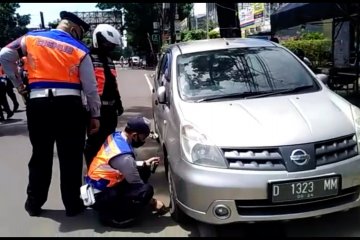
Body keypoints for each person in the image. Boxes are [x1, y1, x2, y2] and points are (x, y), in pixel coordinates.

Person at [0, 11, 101, 217]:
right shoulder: (80, 50)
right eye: (80, 32)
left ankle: (34, 204)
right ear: (74, 29)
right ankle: (72, 205)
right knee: (71, 158)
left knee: (40, 156)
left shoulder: (31, 38)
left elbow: (4, 55)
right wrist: (95, 115)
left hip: (38, 104)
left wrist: (20, 86)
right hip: (69, 106)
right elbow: (90, 88)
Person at [85, 116, 168, 228]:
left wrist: (144, 163)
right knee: (146, 191)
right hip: (101, 196)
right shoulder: (125, 158)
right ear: (134, 135)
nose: (144, 141)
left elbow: (120, 164)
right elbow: (136, 183)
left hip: (98, 185)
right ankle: (114, 216)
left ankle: (113, 206)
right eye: (143, 137)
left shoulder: (115, 136)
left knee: (144, 169)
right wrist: (153, 202)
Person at [84, 24, 124, 168]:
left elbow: (113, 83)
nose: (110, 47)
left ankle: (107, 171)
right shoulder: (86, 58)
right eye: (107, 44)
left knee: (109, 143)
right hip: (95, 110)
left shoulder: (109, 60)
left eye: (112, 45)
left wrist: (118, 103)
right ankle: (92, 173)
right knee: (94, 144)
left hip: (110, 109)